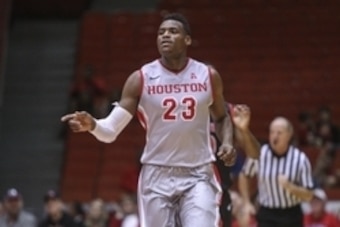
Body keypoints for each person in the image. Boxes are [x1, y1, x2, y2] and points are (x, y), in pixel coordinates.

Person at [62, 13, 236, 227]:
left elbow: (222, 117)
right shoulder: (140, 79)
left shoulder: (208, 75)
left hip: (198, 172)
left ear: (187, 39)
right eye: (161, 32)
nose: (165, 36)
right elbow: (111, 131)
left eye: (173, 31)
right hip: (157, 173)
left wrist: (227, 141)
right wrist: (94, 125)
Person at [239, 116, 315, 227]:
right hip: (267, 213)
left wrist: (290, 187)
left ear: (289, 135)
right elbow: (244, 175)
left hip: (292, 214)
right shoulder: (259, 154)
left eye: (279, 133)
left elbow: (308, 195)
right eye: (272, 132)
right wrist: (246, 202)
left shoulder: (300, 159)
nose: (275, 136)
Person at [210, 103, 260, 227]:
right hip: (188, 186)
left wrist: (244, 131)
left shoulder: (227, 111)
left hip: (219, 191)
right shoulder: (185, 106)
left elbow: (254, 154)